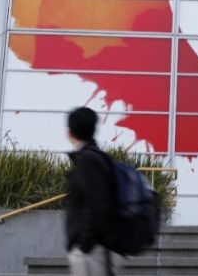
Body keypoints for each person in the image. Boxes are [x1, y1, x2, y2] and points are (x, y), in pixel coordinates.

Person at [65, 107, 124, 276]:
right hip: (96, 248)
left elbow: (97, 204)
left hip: (93, 250)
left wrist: (84, 245)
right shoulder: (94, 157)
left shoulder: (88, 160)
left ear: (70, 132)